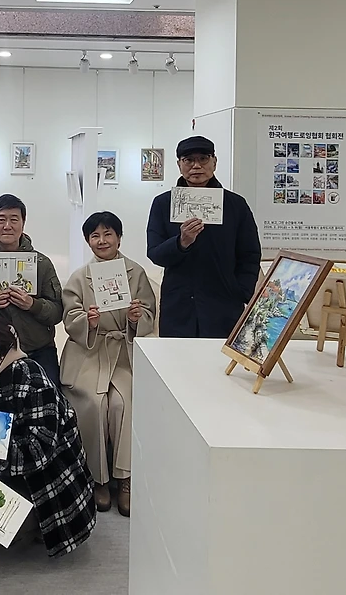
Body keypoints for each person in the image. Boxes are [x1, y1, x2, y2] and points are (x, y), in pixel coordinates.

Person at [0, 311, 95, 557]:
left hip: (50, 478)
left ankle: (37, 523)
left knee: (8, 522)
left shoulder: (28, 373)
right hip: (6, 463)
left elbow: (39, 450)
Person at [60, 211, 155, 517]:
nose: (102, 241)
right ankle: (97, 479)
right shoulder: (79, 277)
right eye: (95, 236)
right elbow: (69, 318)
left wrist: (136, 318)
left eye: (108, 234)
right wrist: (87, 321)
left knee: (122, 403)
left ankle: (125, 478)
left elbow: (150, 314)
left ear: (119, 238)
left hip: (124, 353)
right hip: (88, 354)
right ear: (88, 241)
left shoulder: (136, 273)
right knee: (94, 403)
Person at [146, 136, 262, 338]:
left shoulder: (235, 205)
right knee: (176, 357)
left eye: (203, 159)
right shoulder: (163, 204)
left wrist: (240, 291)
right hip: (179, 304)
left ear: (214, 162)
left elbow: (250, 254)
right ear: (179, 164)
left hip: (224, 305)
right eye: (189, 160)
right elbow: (155, 253)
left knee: (219, 357)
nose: (196, 166)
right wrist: (181, 243)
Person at [0, 194, 65, 384]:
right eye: (1, 219)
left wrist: (33, 305)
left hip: (37, 349)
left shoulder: (41, 263)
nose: (7, 226)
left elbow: (57, 312)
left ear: (23, 224)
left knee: (49, 396)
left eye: (14, 219)